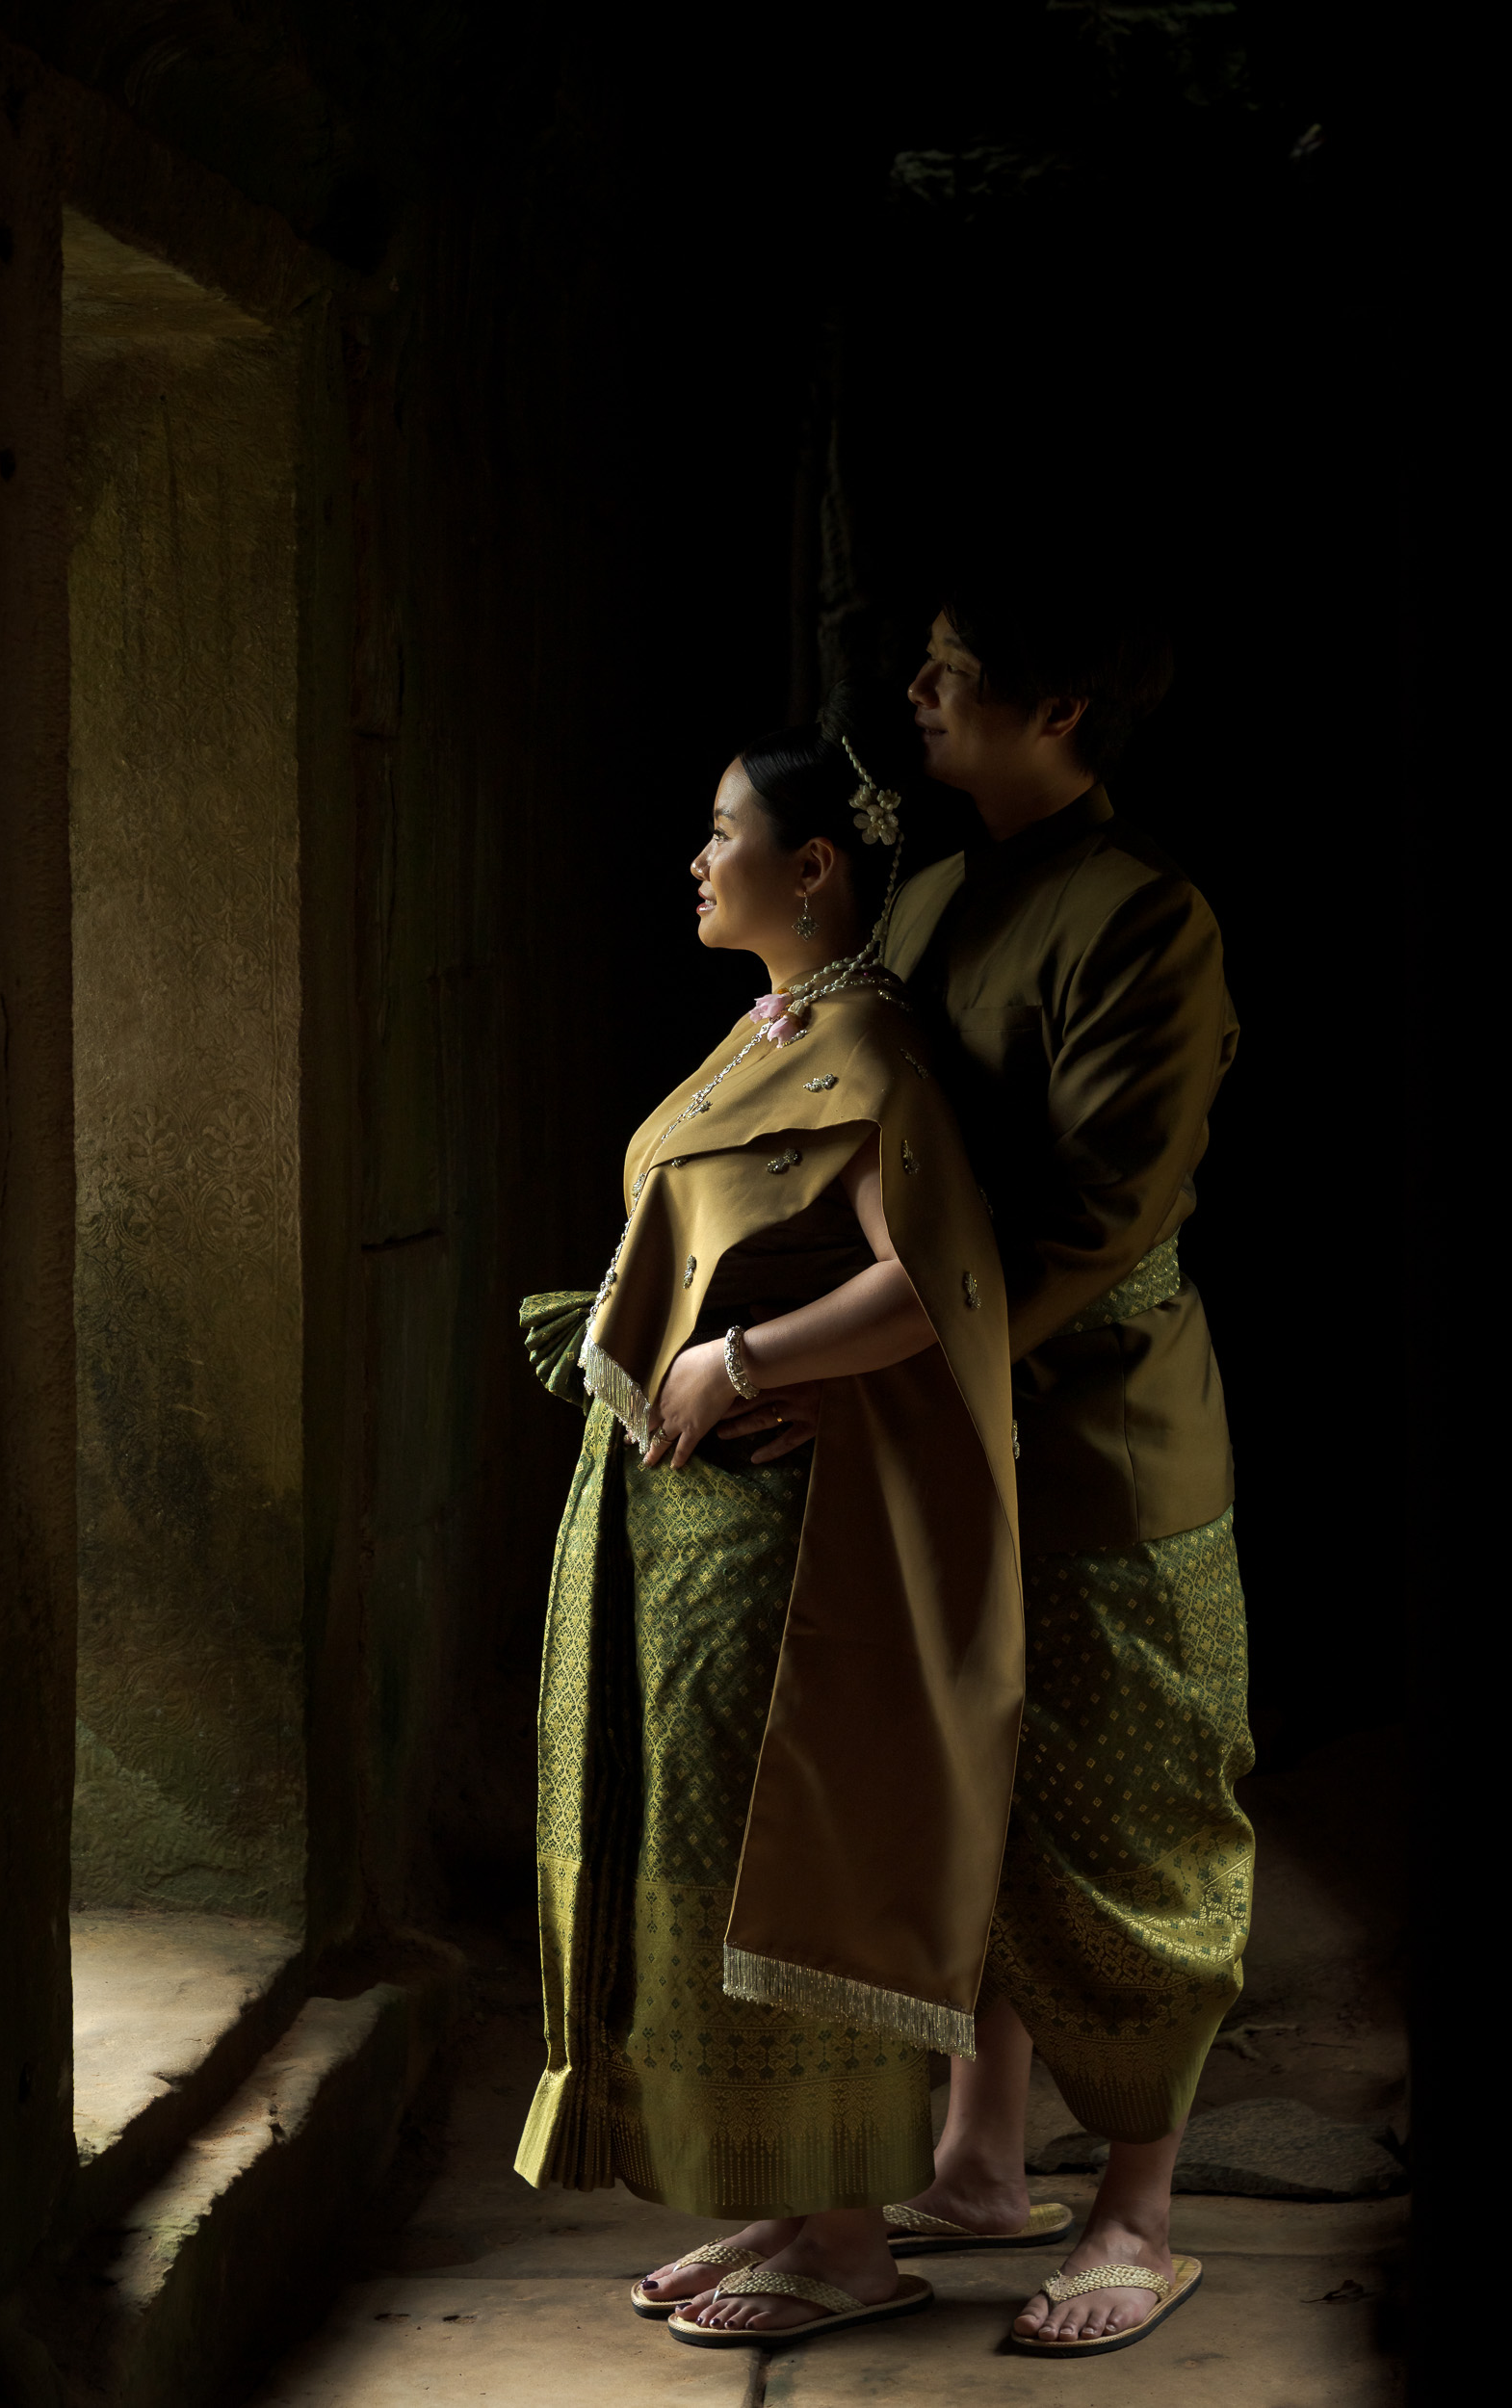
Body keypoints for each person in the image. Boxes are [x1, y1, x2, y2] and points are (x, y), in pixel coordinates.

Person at [513, 702, 1045, 2349]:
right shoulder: (767, 1027)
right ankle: (786, 2204)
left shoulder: (866, 1047)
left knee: (782, 1869)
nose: (697, 857)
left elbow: (931, 1287)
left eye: (722, 833)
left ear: (809, 869)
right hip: (699, 1539)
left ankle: (849, 2242)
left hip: (787, 1552)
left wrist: (742, 1356)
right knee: (696, 1871)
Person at [866, 566, 1251, 2356]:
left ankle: (1135, 2207)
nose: (921, 689)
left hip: (1094, 1423)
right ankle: (975, 2158)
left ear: (1063, 710)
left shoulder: (1145, 920)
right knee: (971, 1803)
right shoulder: (934, 893)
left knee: (1123, 1815)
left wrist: (881, 1355)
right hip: (935, 1401)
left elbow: (1100, 1209)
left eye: (955, 671)